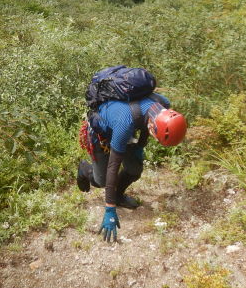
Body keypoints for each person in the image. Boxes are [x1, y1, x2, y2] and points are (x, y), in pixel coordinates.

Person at [76, 93, 187, 242]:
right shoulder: (125, 123)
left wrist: (139, 147)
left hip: (125, 128)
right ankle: (84, 169)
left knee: (134, 169)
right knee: (101, 181)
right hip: (101, 132)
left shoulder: (163, 105)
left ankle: (118, 195)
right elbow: (113, 167)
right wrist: (110, 208)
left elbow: (146, 124)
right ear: (153, 127)